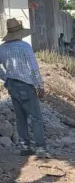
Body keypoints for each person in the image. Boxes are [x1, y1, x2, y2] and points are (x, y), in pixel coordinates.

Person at [0, 18, 50, 158]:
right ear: (20, 32)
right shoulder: (25, 47)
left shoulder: (2, 48)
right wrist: (40, 85)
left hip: (12, 85)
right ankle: (40, 148)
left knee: (20, 117)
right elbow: (33, 69)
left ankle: (25, 147)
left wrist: (6, 77)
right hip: (26, 85)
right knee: (36, 118)